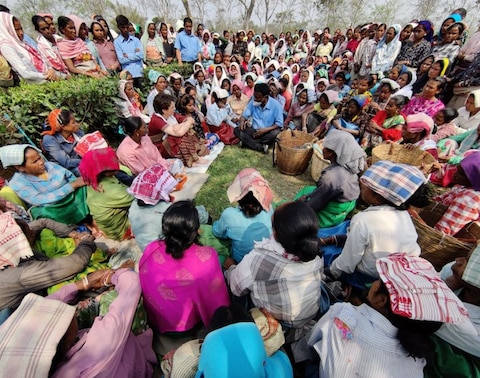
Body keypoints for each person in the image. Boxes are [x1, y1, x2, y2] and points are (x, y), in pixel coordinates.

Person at [308, 253, 470, 378]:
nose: (375, 283)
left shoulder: (343, 314)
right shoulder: (417, 359)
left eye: (378, 280)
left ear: (381, 300)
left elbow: (309, 346)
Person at [0, 268, 156, 376]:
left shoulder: (19, 366)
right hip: (133, 362)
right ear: (68, 342)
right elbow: (131, 284)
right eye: (66, 315)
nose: (70, 312)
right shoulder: (99, 345)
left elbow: (42, 306)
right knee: (114, 300)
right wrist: (111, 277)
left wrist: (84, 283)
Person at [326, 161, 427, 290]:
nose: (361, 187)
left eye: (365, 187)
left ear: (378, 198)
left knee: (327, 252)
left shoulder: (363, 220)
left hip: (365, 278)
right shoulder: (404, 216)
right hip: (392, 274)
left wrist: (329, 273)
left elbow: (347, 264)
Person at [224, 201, 323, 329]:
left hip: (282, 324)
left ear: (275, 234)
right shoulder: (315, 250)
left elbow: (236, 288)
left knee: (236, 289)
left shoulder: (258, 258)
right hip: (311, 313)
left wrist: (232, 267)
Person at [139, 200, 230, 334]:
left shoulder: (152, 248)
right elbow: (218, 299)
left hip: (159, 322)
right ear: (196, 230)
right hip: (190, 327)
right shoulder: (207, 256)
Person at [0, 214, 96, 311]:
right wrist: (86, 241)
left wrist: (74, 234)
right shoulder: (20, 273)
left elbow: (42, 222)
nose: (33, 232)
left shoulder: (7, 246)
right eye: (30, 234)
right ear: (20, 243)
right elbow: (76, 263)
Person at [0, 144, 87, 225]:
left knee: (85, 189)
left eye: (39, 158)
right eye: (35, 162)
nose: (41, 162)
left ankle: (89, 220)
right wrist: (71, 186)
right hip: (53, 207)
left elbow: (70, 177)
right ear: (20, 167)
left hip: (71, 197)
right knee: (42, 213)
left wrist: (76, 185)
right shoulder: (17, 182)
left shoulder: (50, 166)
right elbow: (39, 200)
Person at [428, 246, 480, 375]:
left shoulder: (471, 331)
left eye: (467, 260)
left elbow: (428, 313)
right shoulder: (455, 273)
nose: (458, 260)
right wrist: (451, 283)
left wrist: (448, 287)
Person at [297, 130, 365, 228]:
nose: (323, 149)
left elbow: (315, 204)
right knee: (308, 190)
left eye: (325, 148)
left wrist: (301, 205)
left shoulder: (330, 177)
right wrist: (309, 195)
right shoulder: (351, 167)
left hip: (329, 216)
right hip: (345, 207)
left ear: (332, 153)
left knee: (292, 210)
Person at [213, 168, 274, 263]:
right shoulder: (269, 207)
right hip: (264, 260)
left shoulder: (229, 214)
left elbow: (217, 232)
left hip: (240, 263)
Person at [79, 147, 133, 240]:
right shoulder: (109, 190)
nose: (117, 163)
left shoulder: (94, 180)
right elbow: (140, 198)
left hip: (109, 223)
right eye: (114, 163)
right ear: (105, 172)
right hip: (121, 229)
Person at [0, 13, 57, 83]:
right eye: (16, 30)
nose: (21, 33)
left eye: (21, 29)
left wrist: (50, 69)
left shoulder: (23, 43)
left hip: (48, 78)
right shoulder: (6, 47)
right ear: (7, 30)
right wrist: (47, 76)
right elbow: (25, 73)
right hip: (37, 84)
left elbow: (42, 59)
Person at [433, 151, 480, 236]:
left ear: (475, 177)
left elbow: (441, 233)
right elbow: (436, 200)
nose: (455, 174)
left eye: (461, 173)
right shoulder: (463, 186)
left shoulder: (468, 200)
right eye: (457, 169)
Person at [234, 83, 283, 153]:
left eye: (258, 97)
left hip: (267, 132)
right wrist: (242, 121)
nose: (256, 99)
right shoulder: (253, 101)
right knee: (237, 130)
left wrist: (264, 130)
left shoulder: (276, 105)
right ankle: (260, 147)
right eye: (255, 96)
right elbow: (244, 115)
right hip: (254, 131)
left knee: (276, 132)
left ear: (265, 97)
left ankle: (248, 143)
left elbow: (279, 123)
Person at [41, 108, 84, 176]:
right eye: (73, 122)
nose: (77, 124)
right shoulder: (49, 139)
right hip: (63, 171)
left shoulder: (77, 132)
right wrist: (88, 160)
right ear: (63, 127)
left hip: (79, 163)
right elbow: (66, 163)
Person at [114, 15, 143, 88]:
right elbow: (122, 60)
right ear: (119, 27)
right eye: (123, 28)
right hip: (127, 76)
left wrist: (128, 55)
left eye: (127, 27)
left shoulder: (136, 40)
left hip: (139, 73)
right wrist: (134, 55)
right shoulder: (117, 42)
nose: (125, 30)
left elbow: (141, 55)